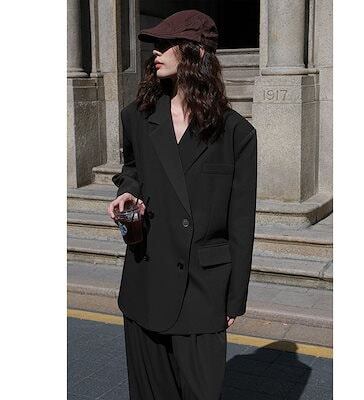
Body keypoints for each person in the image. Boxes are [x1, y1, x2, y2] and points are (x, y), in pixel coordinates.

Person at [107, 9, 257, 400]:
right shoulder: (137, 117)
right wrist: (127, 191)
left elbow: (242, 221)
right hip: (147, 276)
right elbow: (132, 169)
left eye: (166, 43)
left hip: (203, 287)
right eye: (155, 44)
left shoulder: (237, 133)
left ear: (197, 52)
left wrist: (234, 297)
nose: (155, 52)